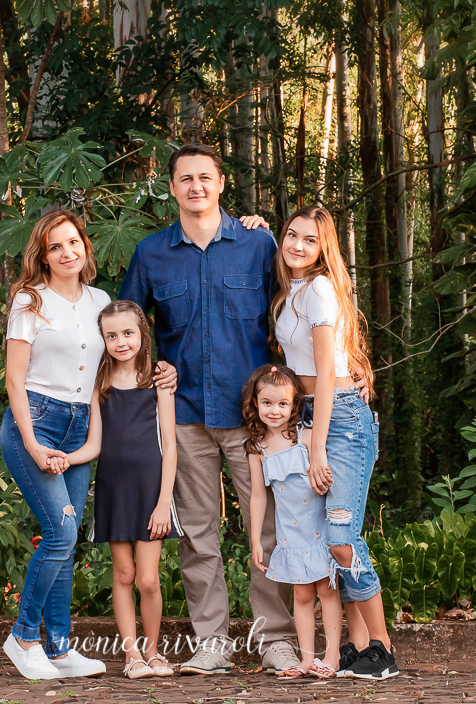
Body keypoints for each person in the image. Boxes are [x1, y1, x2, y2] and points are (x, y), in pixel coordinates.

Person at [118, 143, 298, 675]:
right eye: (185, 179)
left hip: (252, 419)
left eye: (205, 177)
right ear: (171, 188)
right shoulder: (151, 253)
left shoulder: (259, 244)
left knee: (266, 532)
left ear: (221, 184)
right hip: (186, 417)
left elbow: (289, 321)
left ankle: (276, 640)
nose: (196, 186)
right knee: (199, 535)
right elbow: (128, 324)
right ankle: (212, 643)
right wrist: (152, 370)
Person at [0, 209, 175, 680]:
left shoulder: (99, 300)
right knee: (59, 531)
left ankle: (58, 647)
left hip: (80, 425)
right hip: (35, 419)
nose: (66, 252)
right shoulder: (29, 301)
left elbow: (123, 354)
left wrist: (164, 372)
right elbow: (15, 381)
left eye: (73, 242)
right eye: (55, 246)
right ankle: (24, 637)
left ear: (85, 247)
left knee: (69, 538)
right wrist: (34, 444)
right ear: (43, 254)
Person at [272, 204, 400, 679]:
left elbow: (327, 373)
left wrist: (318, 446)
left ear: (324, 249)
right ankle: (359, 646)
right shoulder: (294, 290)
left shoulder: (320, 289)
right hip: (311, 417)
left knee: (343, 540)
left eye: (309, 240)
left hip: (340, 420)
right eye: (291, 235)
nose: (297, 246)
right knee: (329, 541)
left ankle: (382, 648)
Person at [61, 300, 180, 679]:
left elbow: (170, 444)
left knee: (147, 578)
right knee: (124, 573)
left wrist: (164, 503)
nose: (120, 341)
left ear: (142, 333)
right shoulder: (100, 382)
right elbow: (94, 444)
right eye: (111, 335)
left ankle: (154, 651)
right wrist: (66, 458)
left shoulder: (157, 378)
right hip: (114, 488)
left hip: (151, 491)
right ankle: (132, 657)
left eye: (127, 333)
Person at [244, 365, 342, 679]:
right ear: (255, 404)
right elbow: (258, 496)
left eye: (282, 404)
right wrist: (256, 540)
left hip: (318, 527)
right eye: (267, 403)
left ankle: (333, 655)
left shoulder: (307, 435)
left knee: (326, 591)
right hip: (290, 534)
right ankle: (305, 660)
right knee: (301, 595)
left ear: (294, 404)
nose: (275, 410)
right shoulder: (256, 448)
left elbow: (332, 476)